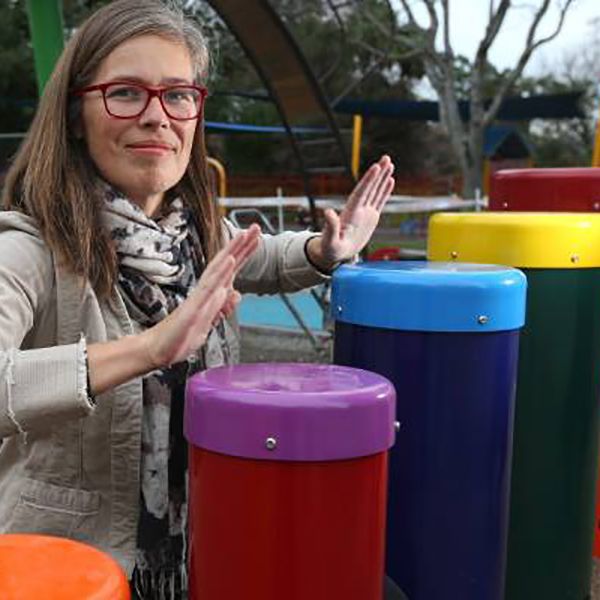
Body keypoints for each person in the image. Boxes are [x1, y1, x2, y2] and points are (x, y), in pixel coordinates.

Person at [0, 1, 394, 598]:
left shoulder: (200, 233)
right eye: (126, 93)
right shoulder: (30, 244)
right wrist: (151, 347)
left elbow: (263, 256)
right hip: (77, 566)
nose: (157, 117)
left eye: (177, 95)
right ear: (76, 115)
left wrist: (324, 250)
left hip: (201, 542)